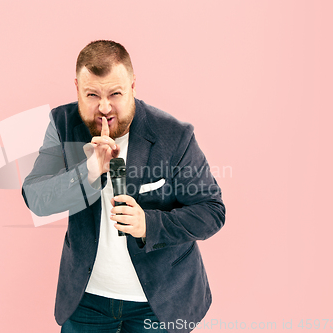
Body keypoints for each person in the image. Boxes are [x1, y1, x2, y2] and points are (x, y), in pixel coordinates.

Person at [22, 40, 225, 333]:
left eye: (115, 93)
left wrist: (148, 224)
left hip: (158, 300)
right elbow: (36, 198)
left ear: (132, 86)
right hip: (86, 297)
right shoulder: (62, 123)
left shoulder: (174, 135)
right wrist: (89, 171)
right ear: (77, 88)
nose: (104, 107)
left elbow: (211, 211)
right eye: (92, 94)